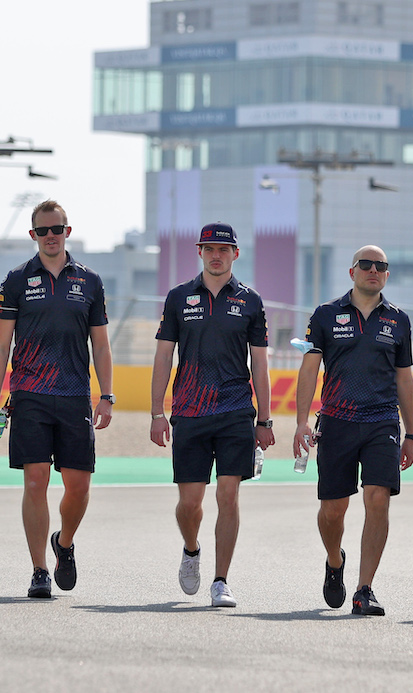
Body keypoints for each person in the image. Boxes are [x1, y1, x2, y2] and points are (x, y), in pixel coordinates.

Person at [0, 199, 114, 599]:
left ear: (67, 231)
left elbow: (102, 346)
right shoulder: (16, 280)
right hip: (30, 396)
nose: (51, 236)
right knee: (36, 480)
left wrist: (106, 395)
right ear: (33, 235)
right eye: (43, 231)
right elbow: (1, 345)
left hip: (75, 396)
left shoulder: (89, 281)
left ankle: (65, 542)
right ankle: (39, 569)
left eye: (57, 229)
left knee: (78, 487)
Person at [150, 222, 273, 608]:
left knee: (229, 494)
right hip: (189, 411)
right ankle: (191, 550)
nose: (216, 255)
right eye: (209, 249)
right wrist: (157, 412)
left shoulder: (251, 301)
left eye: (224, 249)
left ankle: (221, 580)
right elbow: (163, 356)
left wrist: (264, 420)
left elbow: (260, 364)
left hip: (236, 410)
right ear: (200, 252)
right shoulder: (178, 297)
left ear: (236, 254)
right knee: (190, 504)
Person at [293, 245, 413, 616]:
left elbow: (405, 380)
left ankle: (365, 589)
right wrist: (301, 422)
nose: (373, 270)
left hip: (381, 421)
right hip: (336, 421)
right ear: (352, 272)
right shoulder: (325, 315)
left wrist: (411, 433)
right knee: (333, 511)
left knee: (378, 498)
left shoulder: (399, 321)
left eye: (381, 265)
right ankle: (335, 561)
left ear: (387, 274)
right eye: (366, 265)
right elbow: (309, 370)